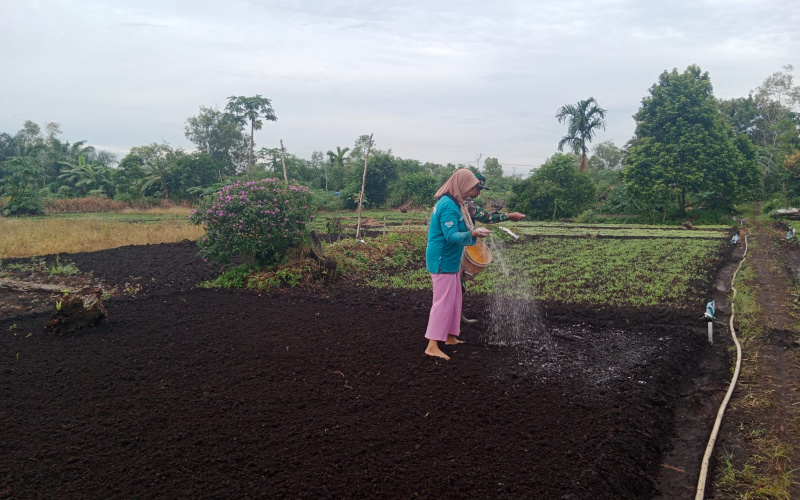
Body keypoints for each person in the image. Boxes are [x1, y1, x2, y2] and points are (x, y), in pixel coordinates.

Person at [424, 169, 492, 360]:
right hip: (441, 259)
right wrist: (473, 234)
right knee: (443, 302)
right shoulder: (447, 205)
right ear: (461, 184)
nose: (473, 190)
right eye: (471, 186)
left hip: (451, 260)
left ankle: (451, 337)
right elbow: (451, 236)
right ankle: (432, 344)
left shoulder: (456, 203)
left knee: (454, 299)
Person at [461, 172, 526, 323]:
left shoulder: (464, 201)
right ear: (470, 186)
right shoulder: (464, 202)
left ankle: (457, 317)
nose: (479, 193)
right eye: (478, 188)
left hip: (462, 243)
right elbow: (484, 216)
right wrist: (508, 216)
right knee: (457, 283)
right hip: (457, 245)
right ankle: (453, 319)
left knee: (460, 282)